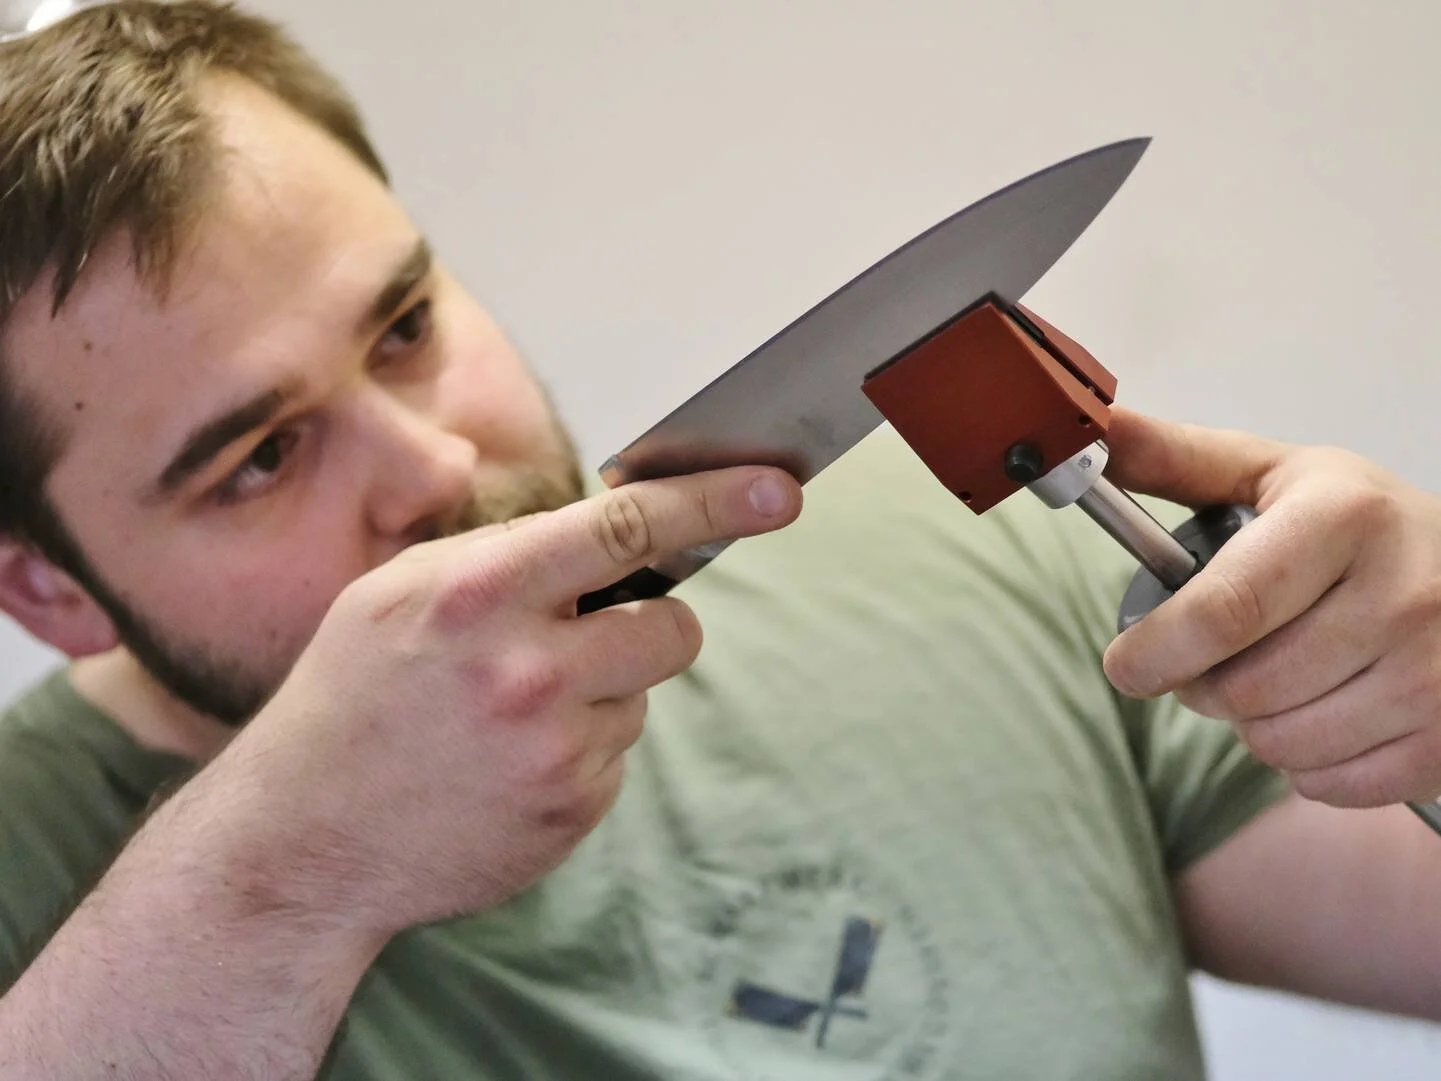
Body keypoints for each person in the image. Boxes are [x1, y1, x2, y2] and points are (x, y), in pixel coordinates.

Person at [0, 3, 1437, 1078]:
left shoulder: (944, 544)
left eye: (408, 326)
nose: (432, 462)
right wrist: (283, 874)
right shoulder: (34, 866)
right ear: (47, 585)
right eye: (259, 458)